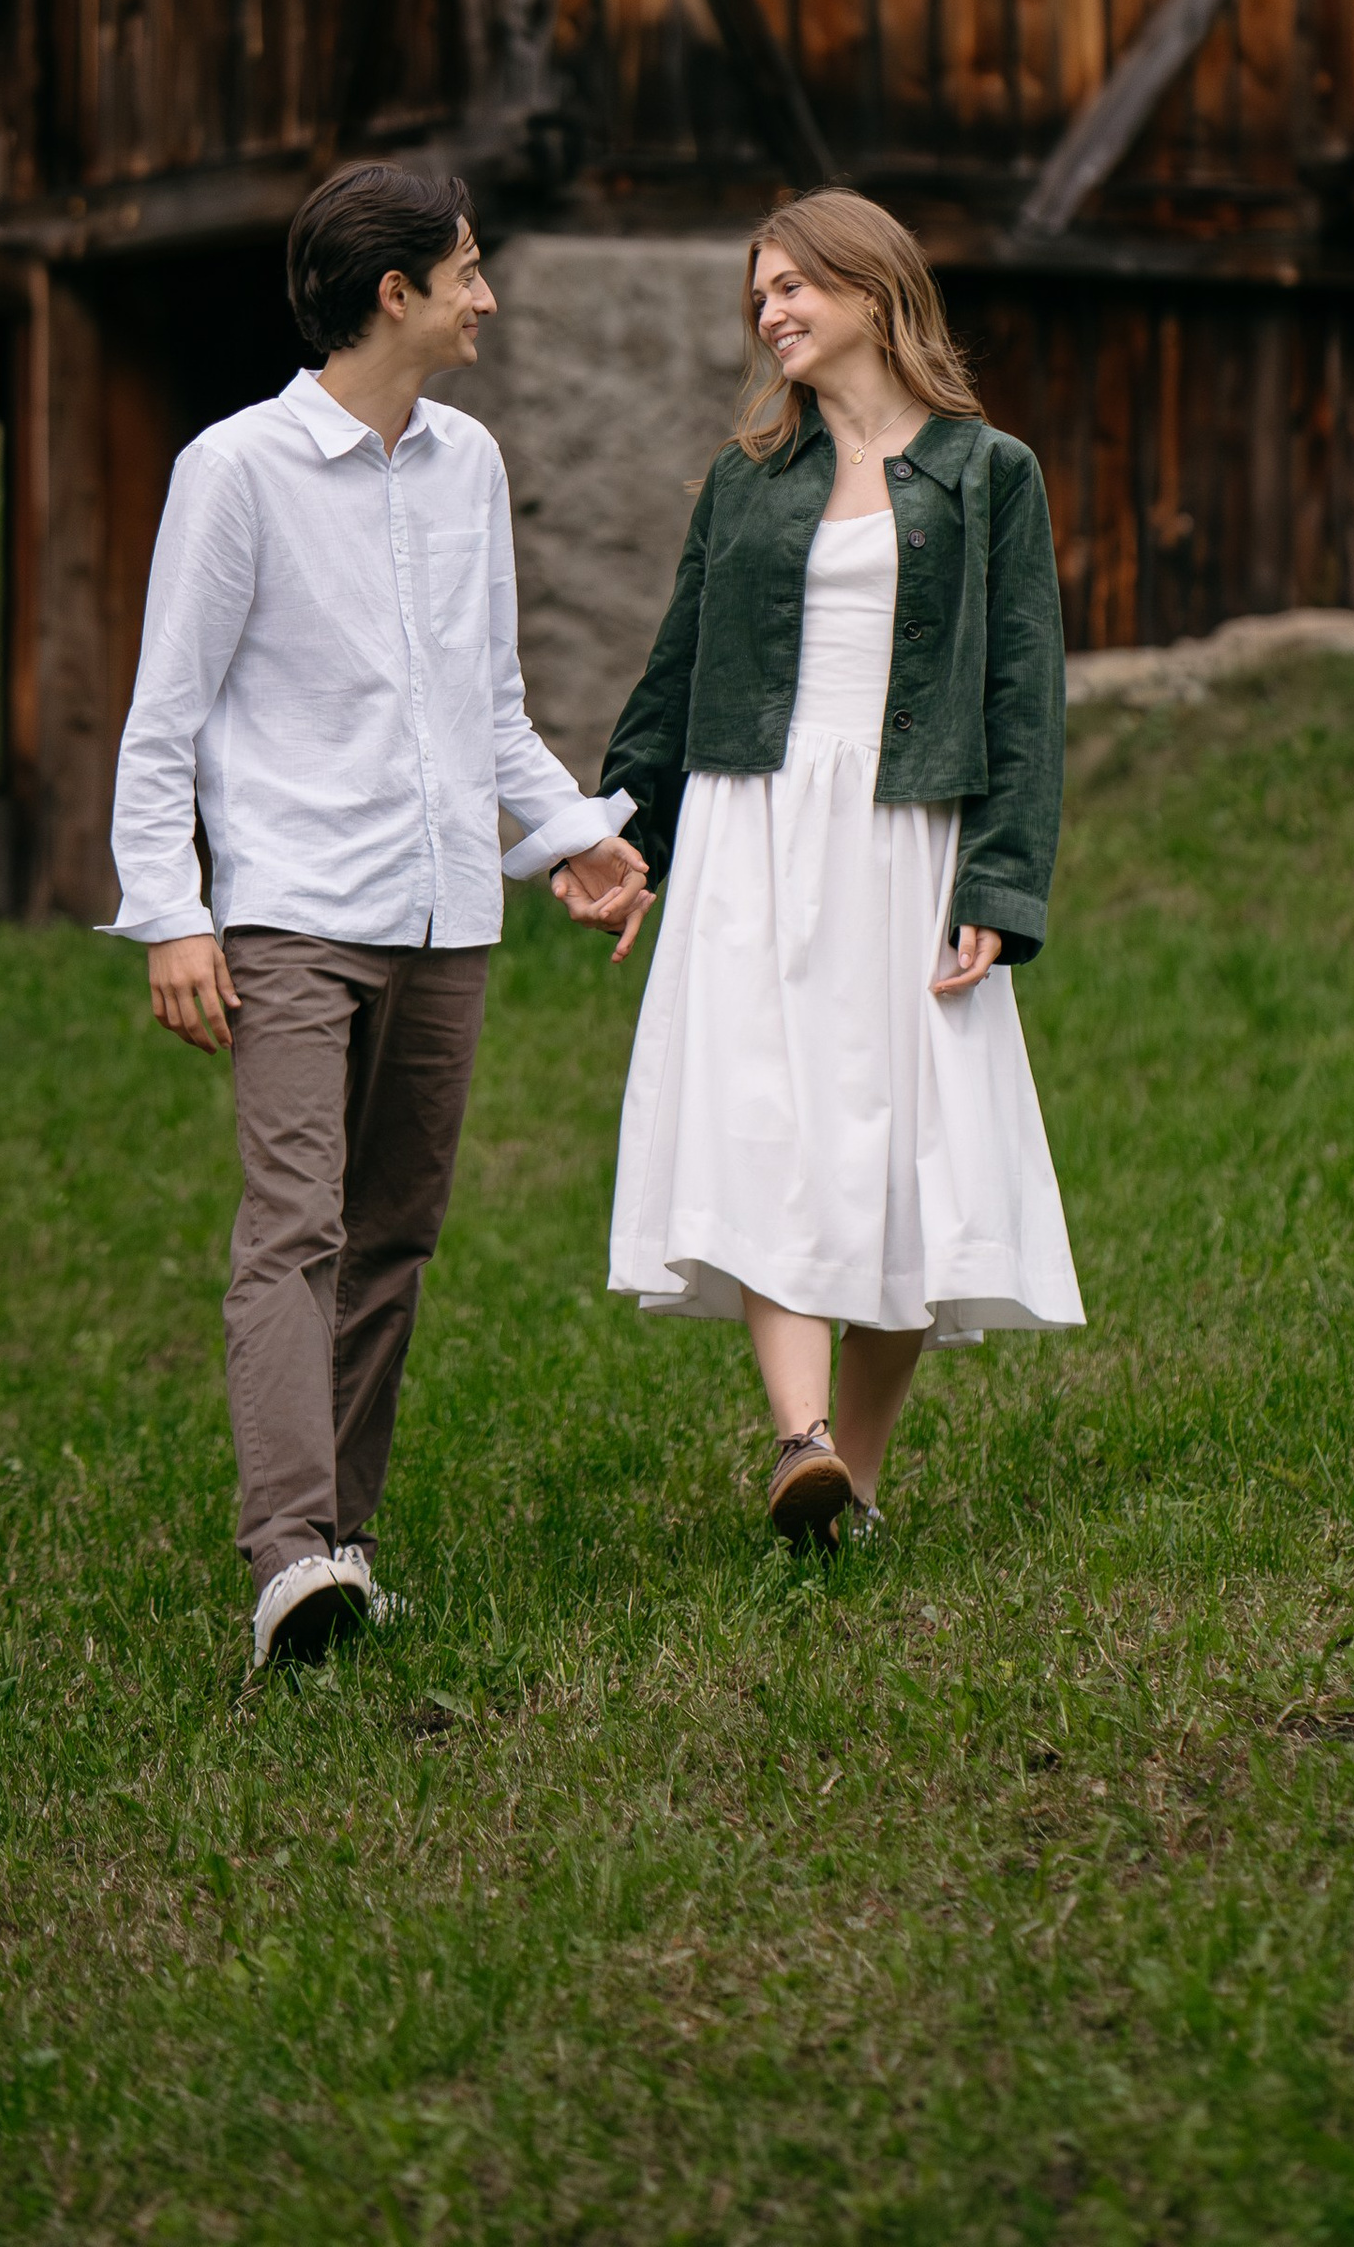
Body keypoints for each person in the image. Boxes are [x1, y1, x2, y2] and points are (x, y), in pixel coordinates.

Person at [109, 163, 650, 1672]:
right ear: (391, 293)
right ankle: (285, 1556)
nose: (489, 295)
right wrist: (172, 908)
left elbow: (486, 706)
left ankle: (345, 1545)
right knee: (297, 1227)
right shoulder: (236, 469)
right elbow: (168, 716)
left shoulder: (469, 464)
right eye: (466, 271)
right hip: (290, 911)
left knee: (396, 1234)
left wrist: (570, 842)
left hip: (445, 911)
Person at [597, 190, 1080, 1547]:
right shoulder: (748, 478)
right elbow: (675, 673)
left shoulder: (991, 475)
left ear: (876, 290)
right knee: (768, 1124)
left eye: (798, 286)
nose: (775, 313)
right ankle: (796, 1437)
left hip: (907, 835)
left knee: (906, 1155)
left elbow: (1024, 693)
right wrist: (624, 840)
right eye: (761, 295)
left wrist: (1001, 883)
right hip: (755, 825)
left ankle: (845, 1484)